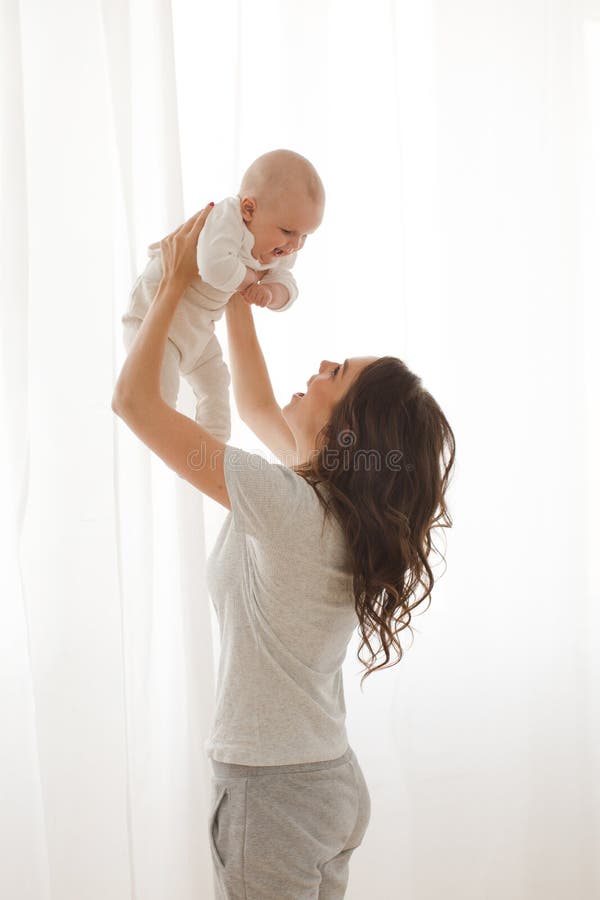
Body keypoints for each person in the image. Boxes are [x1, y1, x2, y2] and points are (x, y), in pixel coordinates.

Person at [112, 205, 456, 899]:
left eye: (337, 372)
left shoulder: (291, 507)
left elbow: (136, 402)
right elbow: (259, 405)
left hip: (271, 794)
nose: (321, 363)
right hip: (327, 783)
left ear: (347, 428)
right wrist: (240, 292)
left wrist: (177, 284)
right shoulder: (326, 504)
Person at [121, 149, 325, 442]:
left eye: (305, 236)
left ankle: (210, 449)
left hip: (197, 330)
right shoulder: (227, 219)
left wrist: (270, 293)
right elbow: (213, 267)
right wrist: (251, 278)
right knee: (158, 396)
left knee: (216, 382)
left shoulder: (278, 250)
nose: (295, 245)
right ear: (249, 209)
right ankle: (172, 445)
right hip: (153, 317)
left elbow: (289, 288)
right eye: (288, 231)